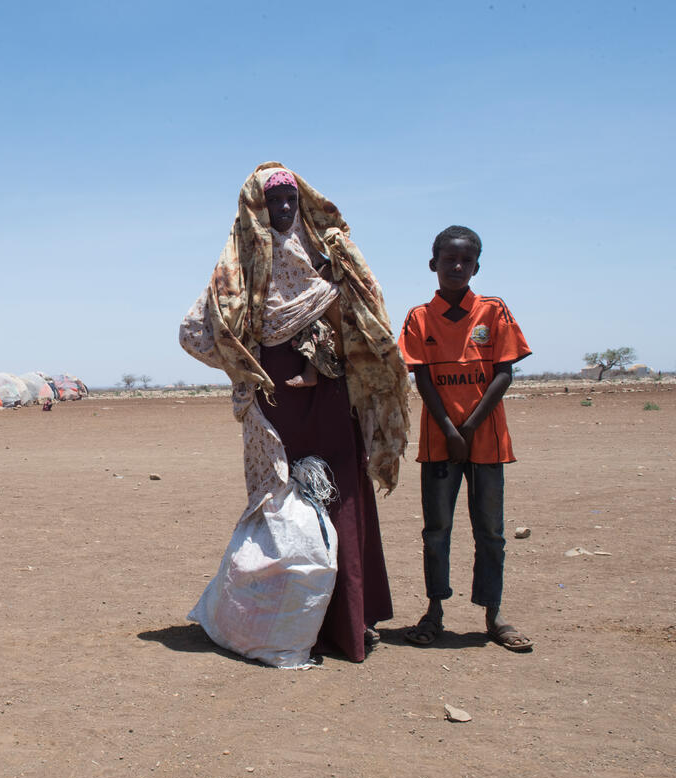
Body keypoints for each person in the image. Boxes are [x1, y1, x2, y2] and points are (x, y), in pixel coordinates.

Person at [180, 163, 411, 663]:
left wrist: (326, 344)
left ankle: (350, 623)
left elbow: (363, 309)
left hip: (328, 393)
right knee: (282, 503)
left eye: (290, 201)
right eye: (274, 203)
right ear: (256, 209)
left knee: (342, 495)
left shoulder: (326, 253)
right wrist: (247, 363)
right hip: (276, 402)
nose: (284, 211)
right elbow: (195, 331)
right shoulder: (238, 266)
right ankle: (285, 624)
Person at [397, 225, 533, 652]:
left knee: (490, 531)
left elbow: (504, 374)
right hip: (439, 442)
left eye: (466, 261)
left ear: (477, 266)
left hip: (486, 441)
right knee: (436, 530)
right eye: (449, 260)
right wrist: (450, 431)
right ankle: (434, 611)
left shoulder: (494, 312)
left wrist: (469, 429)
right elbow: (422, 378)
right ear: (433, 264)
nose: (457, 267)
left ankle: (493, 614)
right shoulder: (419, 318)